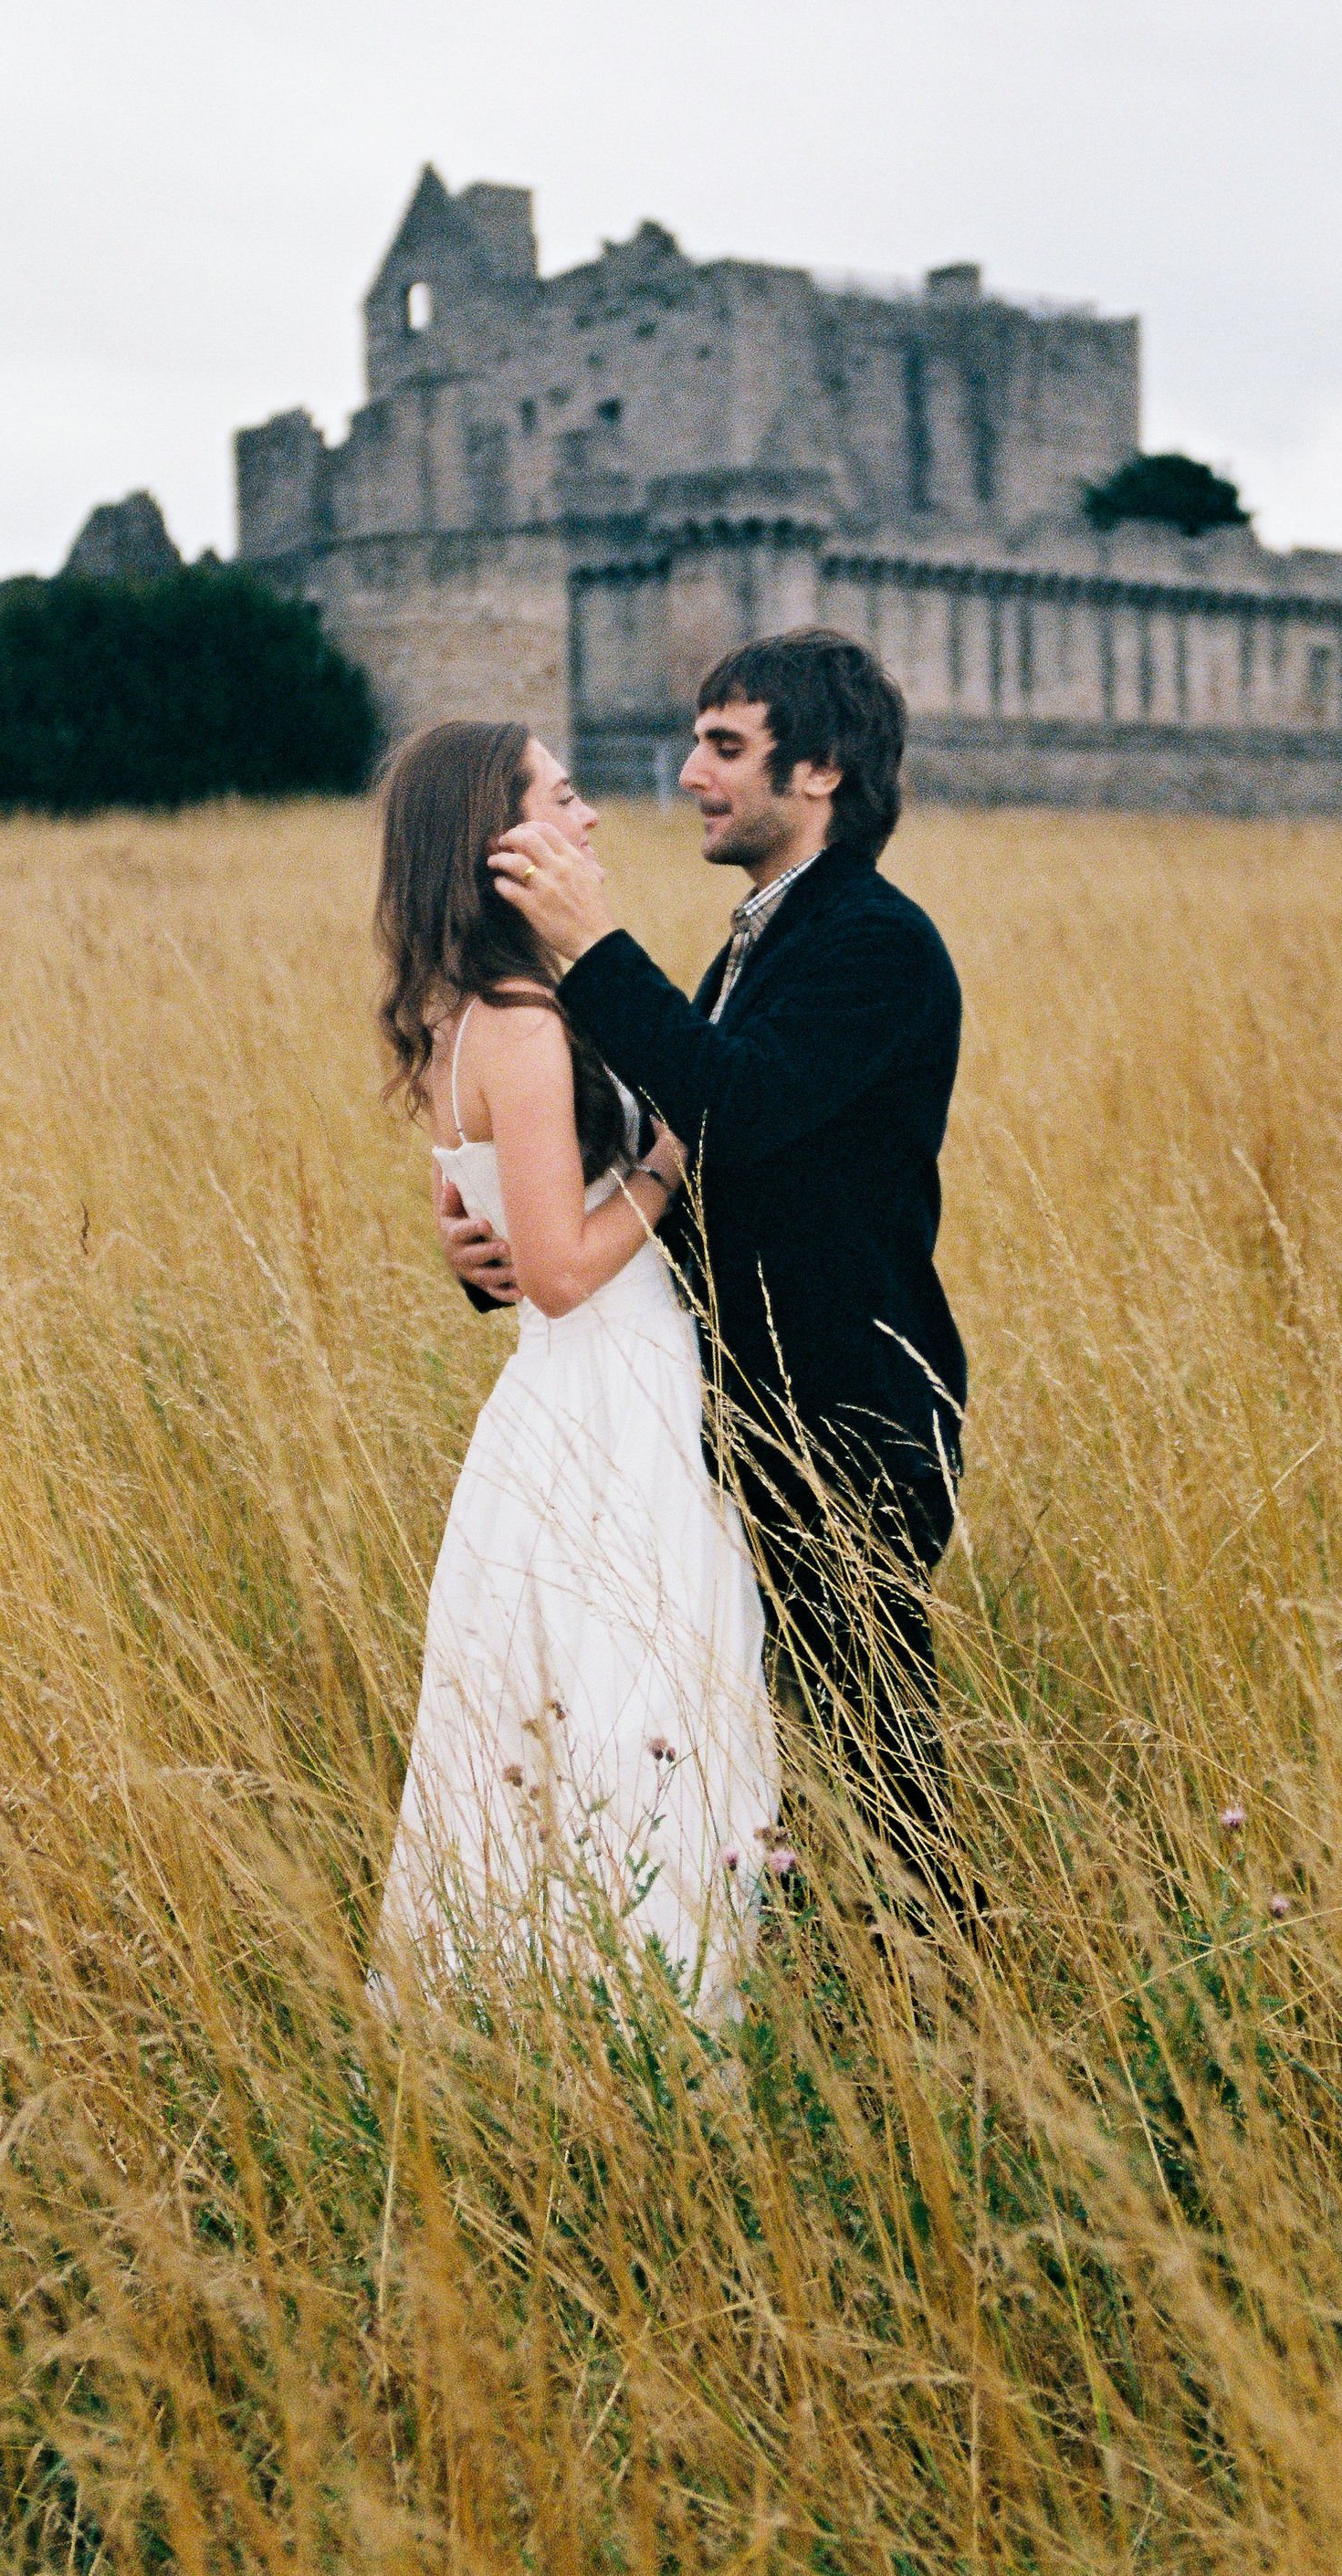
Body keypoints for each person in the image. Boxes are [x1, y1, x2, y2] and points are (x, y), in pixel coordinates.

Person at [450, 627, 969, 1912]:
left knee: (881, 1766)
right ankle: (827, 2002)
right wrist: (501, 1247)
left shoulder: (877, 943)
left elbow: (736, 1110)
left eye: (726, 747)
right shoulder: (758, 940)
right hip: (742, 1418)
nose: (689, 772)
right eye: (698, 741)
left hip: (846, 1416)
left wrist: (592, 945)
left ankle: (954, 2027)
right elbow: (682, 1166)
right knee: (761, 1762)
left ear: (823, 771)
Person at [371, 718, 779, 2020]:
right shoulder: (525, 1025)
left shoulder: (469, 1015)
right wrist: (670, 1158)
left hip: (573, 1394)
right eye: (562, 796)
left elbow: (498, 1230)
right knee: (630, 1709)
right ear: (496, 842)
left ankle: (551, 2014)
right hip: (608, 1396)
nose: (593, 814)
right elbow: (551, 1266)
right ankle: (639, 2023)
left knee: (574, 1717)